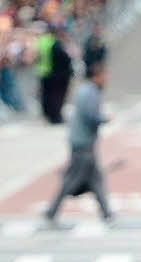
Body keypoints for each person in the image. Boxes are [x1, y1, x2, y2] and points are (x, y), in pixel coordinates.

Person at [45, 63, 112, 224]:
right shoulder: (91, 93)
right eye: (104, 76)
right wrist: (104, 119)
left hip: (82, 142)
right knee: (72, 180)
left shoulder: (84, 91)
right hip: (83, 144)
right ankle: (52, 210)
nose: (106, 80)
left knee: (95, 180)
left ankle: (106, 212)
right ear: (96, 76)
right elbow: (91, 116)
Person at [38, 25, 73, 124]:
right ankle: (55, 116)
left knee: (50, 96)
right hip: (57, 75)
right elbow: (65, 58)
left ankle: (51, 115)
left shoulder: (45, 42)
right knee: (56, 97)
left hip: (48, 73)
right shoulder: (55, 44)